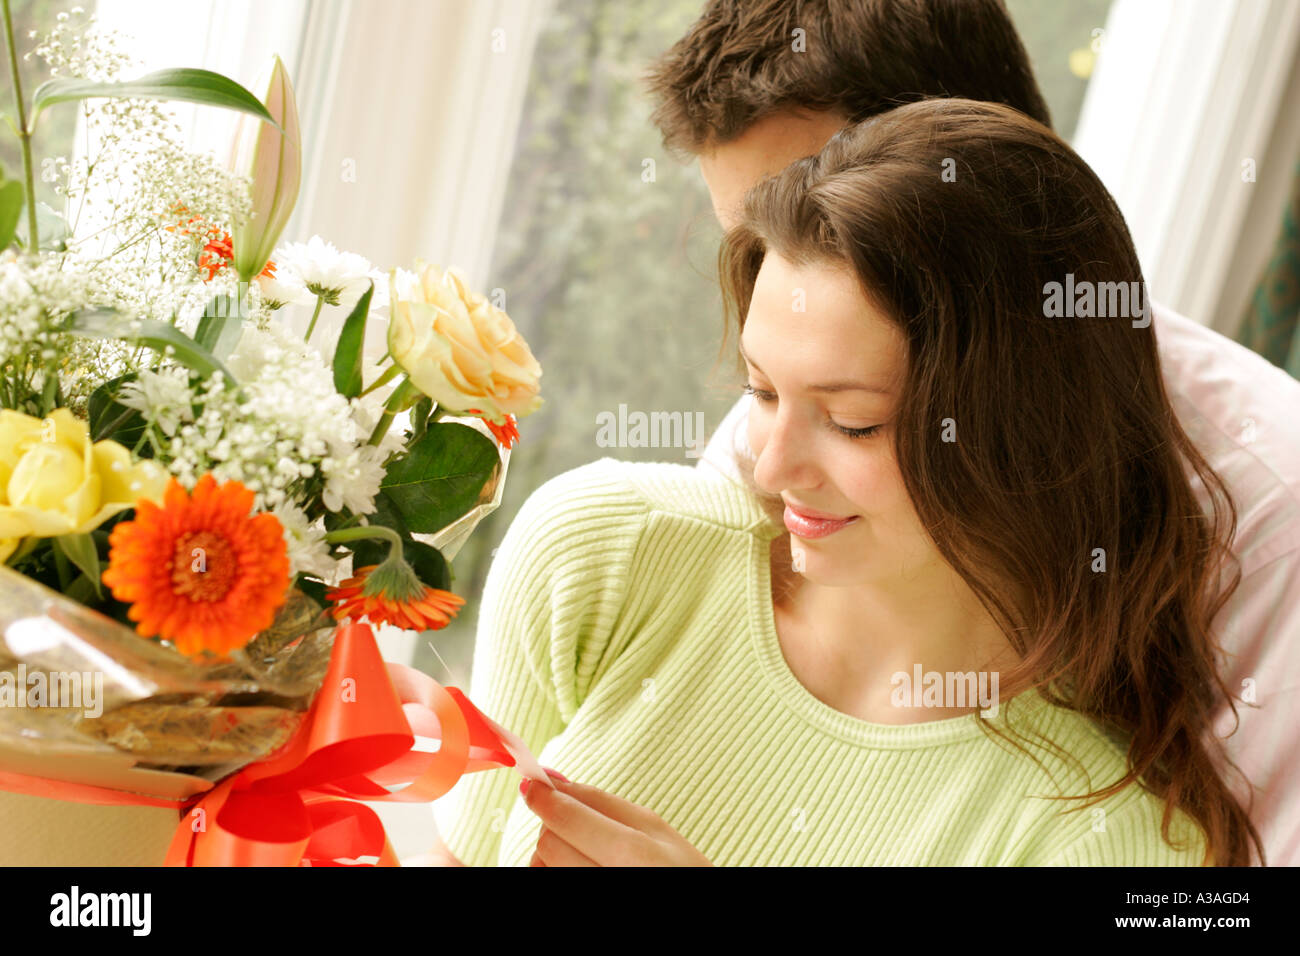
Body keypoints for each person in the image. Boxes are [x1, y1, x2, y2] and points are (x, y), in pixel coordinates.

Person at [430, 94, 1262, 866]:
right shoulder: (601, 554)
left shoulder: (1102, 837)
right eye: (762, 392)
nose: (770, 463)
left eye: (853, 422)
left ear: (1024, 433)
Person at [649, 0, 1300, 867]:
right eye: (757, 245)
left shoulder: (1272, 515)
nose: (781, 284)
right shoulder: (783, 425)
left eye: (828, 221)